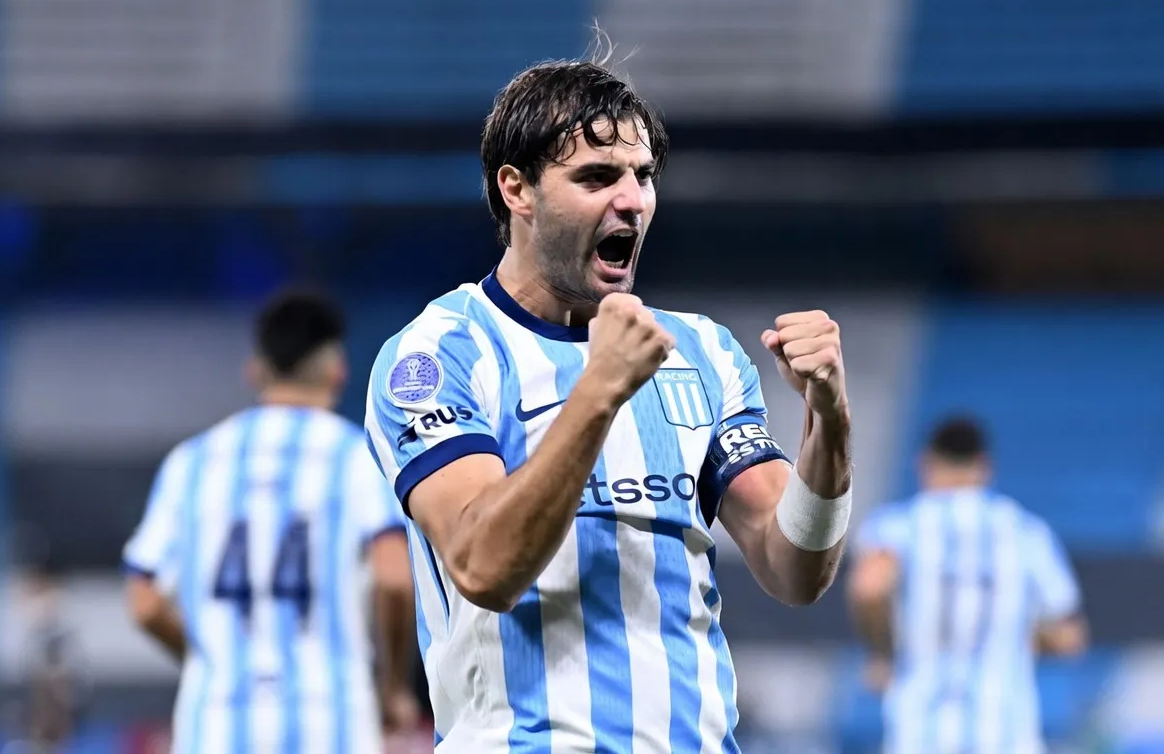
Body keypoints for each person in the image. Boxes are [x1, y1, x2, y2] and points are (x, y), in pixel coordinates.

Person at [363, 50, 854, 751]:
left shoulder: (701, 352)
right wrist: (598, 390)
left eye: (643, 176)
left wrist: (829, 426)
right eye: (596, 177)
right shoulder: (439, 355)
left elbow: (794, 567)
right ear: (517, 190)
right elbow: (483, 566)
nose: (632, 200)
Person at [122, 290, 419, 753]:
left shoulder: (193, 462)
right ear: (337, 370)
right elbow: (395, 579)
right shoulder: (355, 457)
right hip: (329, 717)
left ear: (256, 370)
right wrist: (392, 685)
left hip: (216, 722)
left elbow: (144, 600)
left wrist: (206, 658)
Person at [847, 416, 1088, 754]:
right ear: (985, 466)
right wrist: (1010, 634)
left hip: (921, 734)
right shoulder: (1026, 532)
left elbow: (869, 587)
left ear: (926, 464)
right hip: (1006, 734)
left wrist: (882, 653)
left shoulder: (898, 527)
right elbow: (1070, 637)